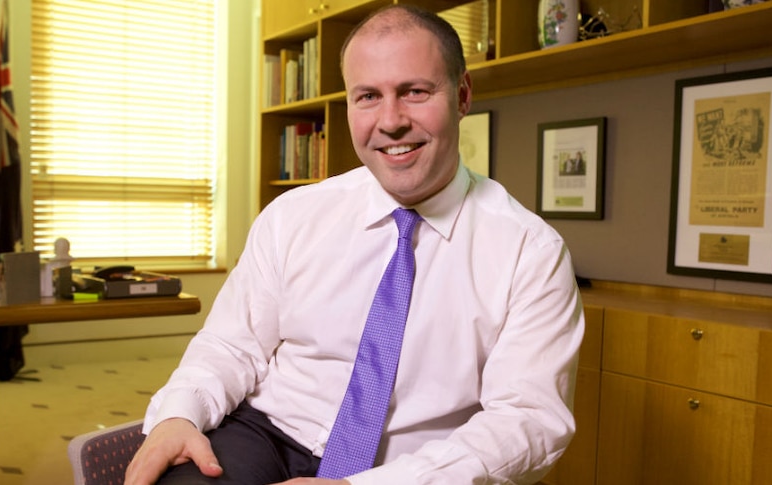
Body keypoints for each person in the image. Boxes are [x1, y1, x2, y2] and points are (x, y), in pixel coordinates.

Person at [125, 5, 584, 485]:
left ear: (462, 95)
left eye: (415, 92)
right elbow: (231, 345)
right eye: (368, 96)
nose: (391, 121)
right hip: (269, 433)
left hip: (416, 468)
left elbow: (527, 421)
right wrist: (179, 413)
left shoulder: (531, 253)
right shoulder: (293, 216)